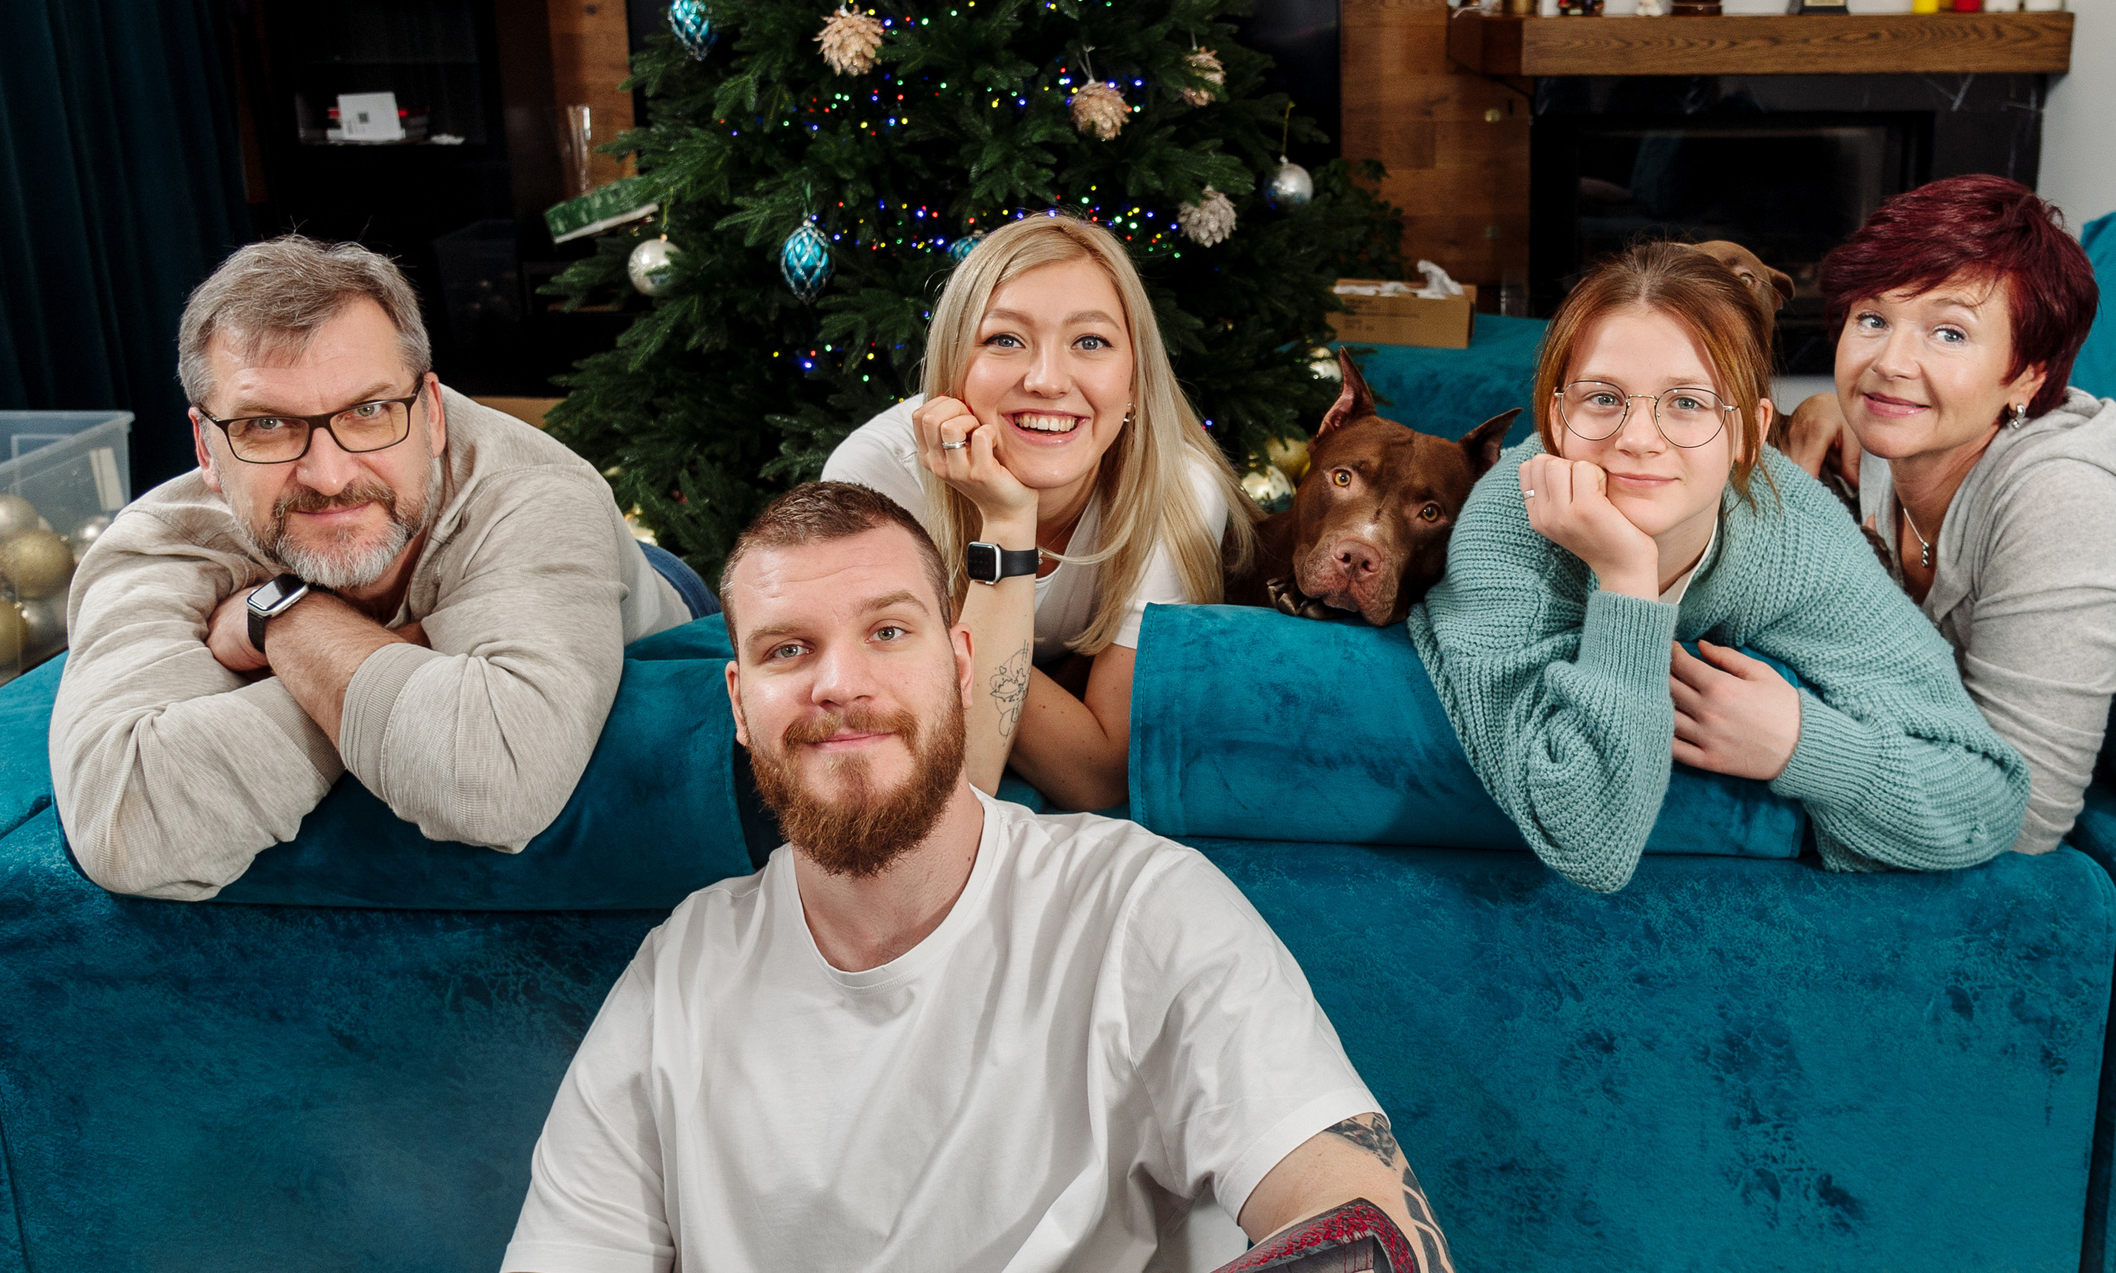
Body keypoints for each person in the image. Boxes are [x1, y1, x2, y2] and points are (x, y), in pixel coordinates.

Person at [501, 481, 1454, 1272]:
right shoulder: (681, 967)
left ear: (962, 666)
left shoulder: (1139, 906)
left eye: (887, 632)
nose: (839, 683)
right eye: (787, 650)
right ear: (740, 704)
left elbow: (1361, 1218)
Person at [52, 236, 696, 901]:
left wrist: (285, 622)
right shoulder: (163, 542)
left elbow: (497, 783)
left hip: (652, 598)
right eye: (266, 424)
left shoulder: (537, 494)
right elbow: (125, 829)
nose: (329, 477)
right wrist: (401, 657)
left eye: (369, 410)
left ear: (433, 415)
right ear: (206, 450)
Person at [1409, 242, 2029, 894]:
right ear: (1555, 416)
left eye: (1687, 403)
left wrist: (1799, 743)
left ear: (1751, 435)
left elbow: (1988, 801)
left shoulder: (1793, 534)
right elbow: (1587, 844)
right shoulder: (1508, 521)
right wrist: (1627, 578)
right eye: (1601, 398)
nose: (1638, 438)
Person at [1782, 176, 2116, 853]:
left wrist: (1799, 746)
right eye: (1872, 319)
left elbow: (2025, 815)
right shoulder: (1893, 438)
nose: (1890, 363)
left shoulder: (2064, 500)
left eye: (1949, 332)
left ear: (2027, 376)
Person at [823, 215, 1252, 811]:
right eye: (1004, 339)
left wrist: (950, 638)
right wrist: (1005, 521)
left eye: (1090, 342)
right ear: (952, 369)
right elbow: (967, 775)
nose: (1048, 381)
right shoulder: (875, 481)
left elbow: (1099, 777)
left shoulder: (1177, 489)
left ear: (1134, 382)